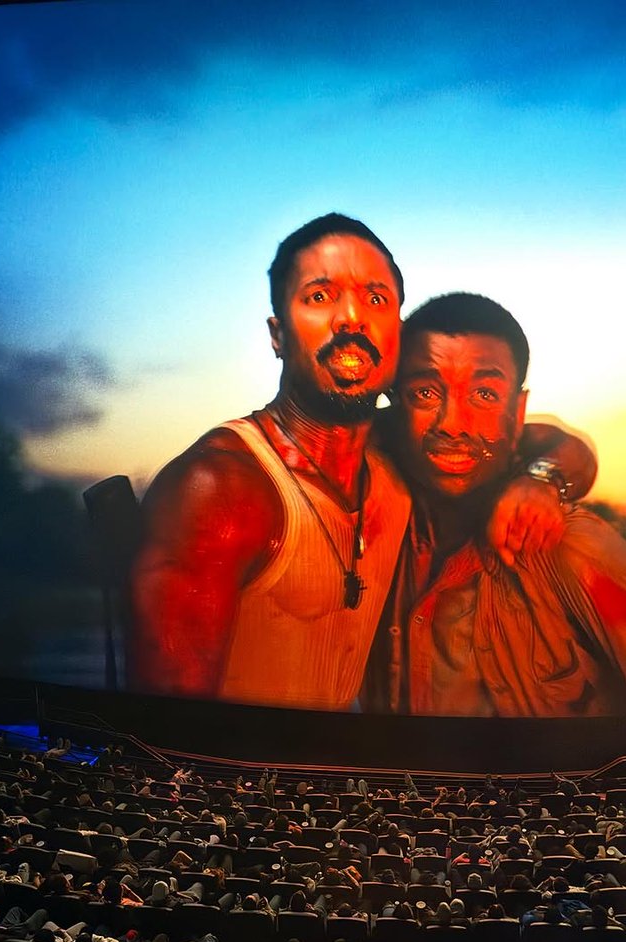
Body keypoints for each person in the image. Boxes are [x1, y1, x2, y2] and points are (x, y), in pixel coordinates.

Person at [129, 215, 593, 709]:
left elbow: (547, 439)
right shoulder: (220, 488)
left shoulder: (397, 451)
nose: (352, 318)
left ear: (397, 332)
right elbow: (167, 740)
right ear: (278, 334)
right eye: (319, 296)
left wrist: (543, 479)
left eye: (375, 299)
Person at [364, 292, 626, 716]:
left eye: (484, 395)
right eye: (425, 393)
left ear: (518, 413)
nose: (452, 425)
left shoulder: (572, 545)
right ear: (395, 405)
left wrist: (544, 476)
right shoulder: (371, 534)